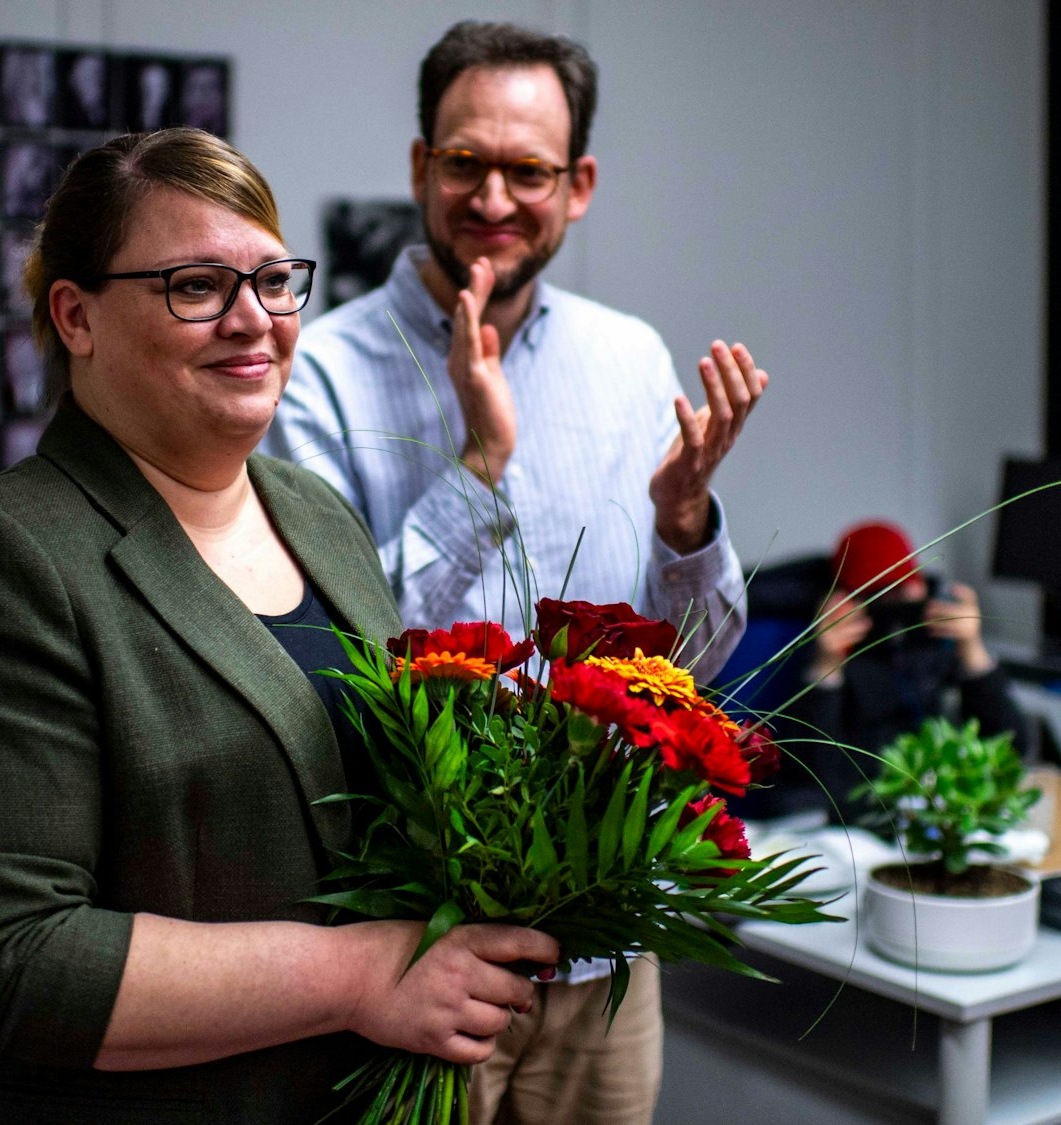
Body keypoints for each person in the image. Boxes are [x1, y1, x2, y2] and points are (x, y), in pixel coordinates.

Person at [0, 128, 559, 1124]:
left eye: (274, 281)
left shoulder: (315, 515)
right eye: (196, 286)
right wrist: (359, 976)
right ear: (74, 316)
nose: (254, 321)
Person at [263, 21, 769, 1125]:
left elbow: (694, 668)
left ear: (577, 185)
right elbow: (323, 664)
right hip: (413, 962)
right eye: (464, 162)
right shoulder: (319, 376)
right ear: (418, 168)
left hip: (604, 967)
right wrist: (476, 466)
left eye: (527, 169)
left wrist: (684, 519)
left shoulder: (628, 359)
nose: (493, 196)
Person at [775, 520, 1027, 811]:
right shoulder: (837, 650)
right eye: (882, 594)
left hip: (942, 806)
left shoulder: (936, 638)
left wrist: (972, 651)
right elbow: (817, 778)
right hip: (867, 812)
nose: (897, 605)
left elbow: (1011, 750)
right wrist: (825, 667)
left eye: (906, 586)